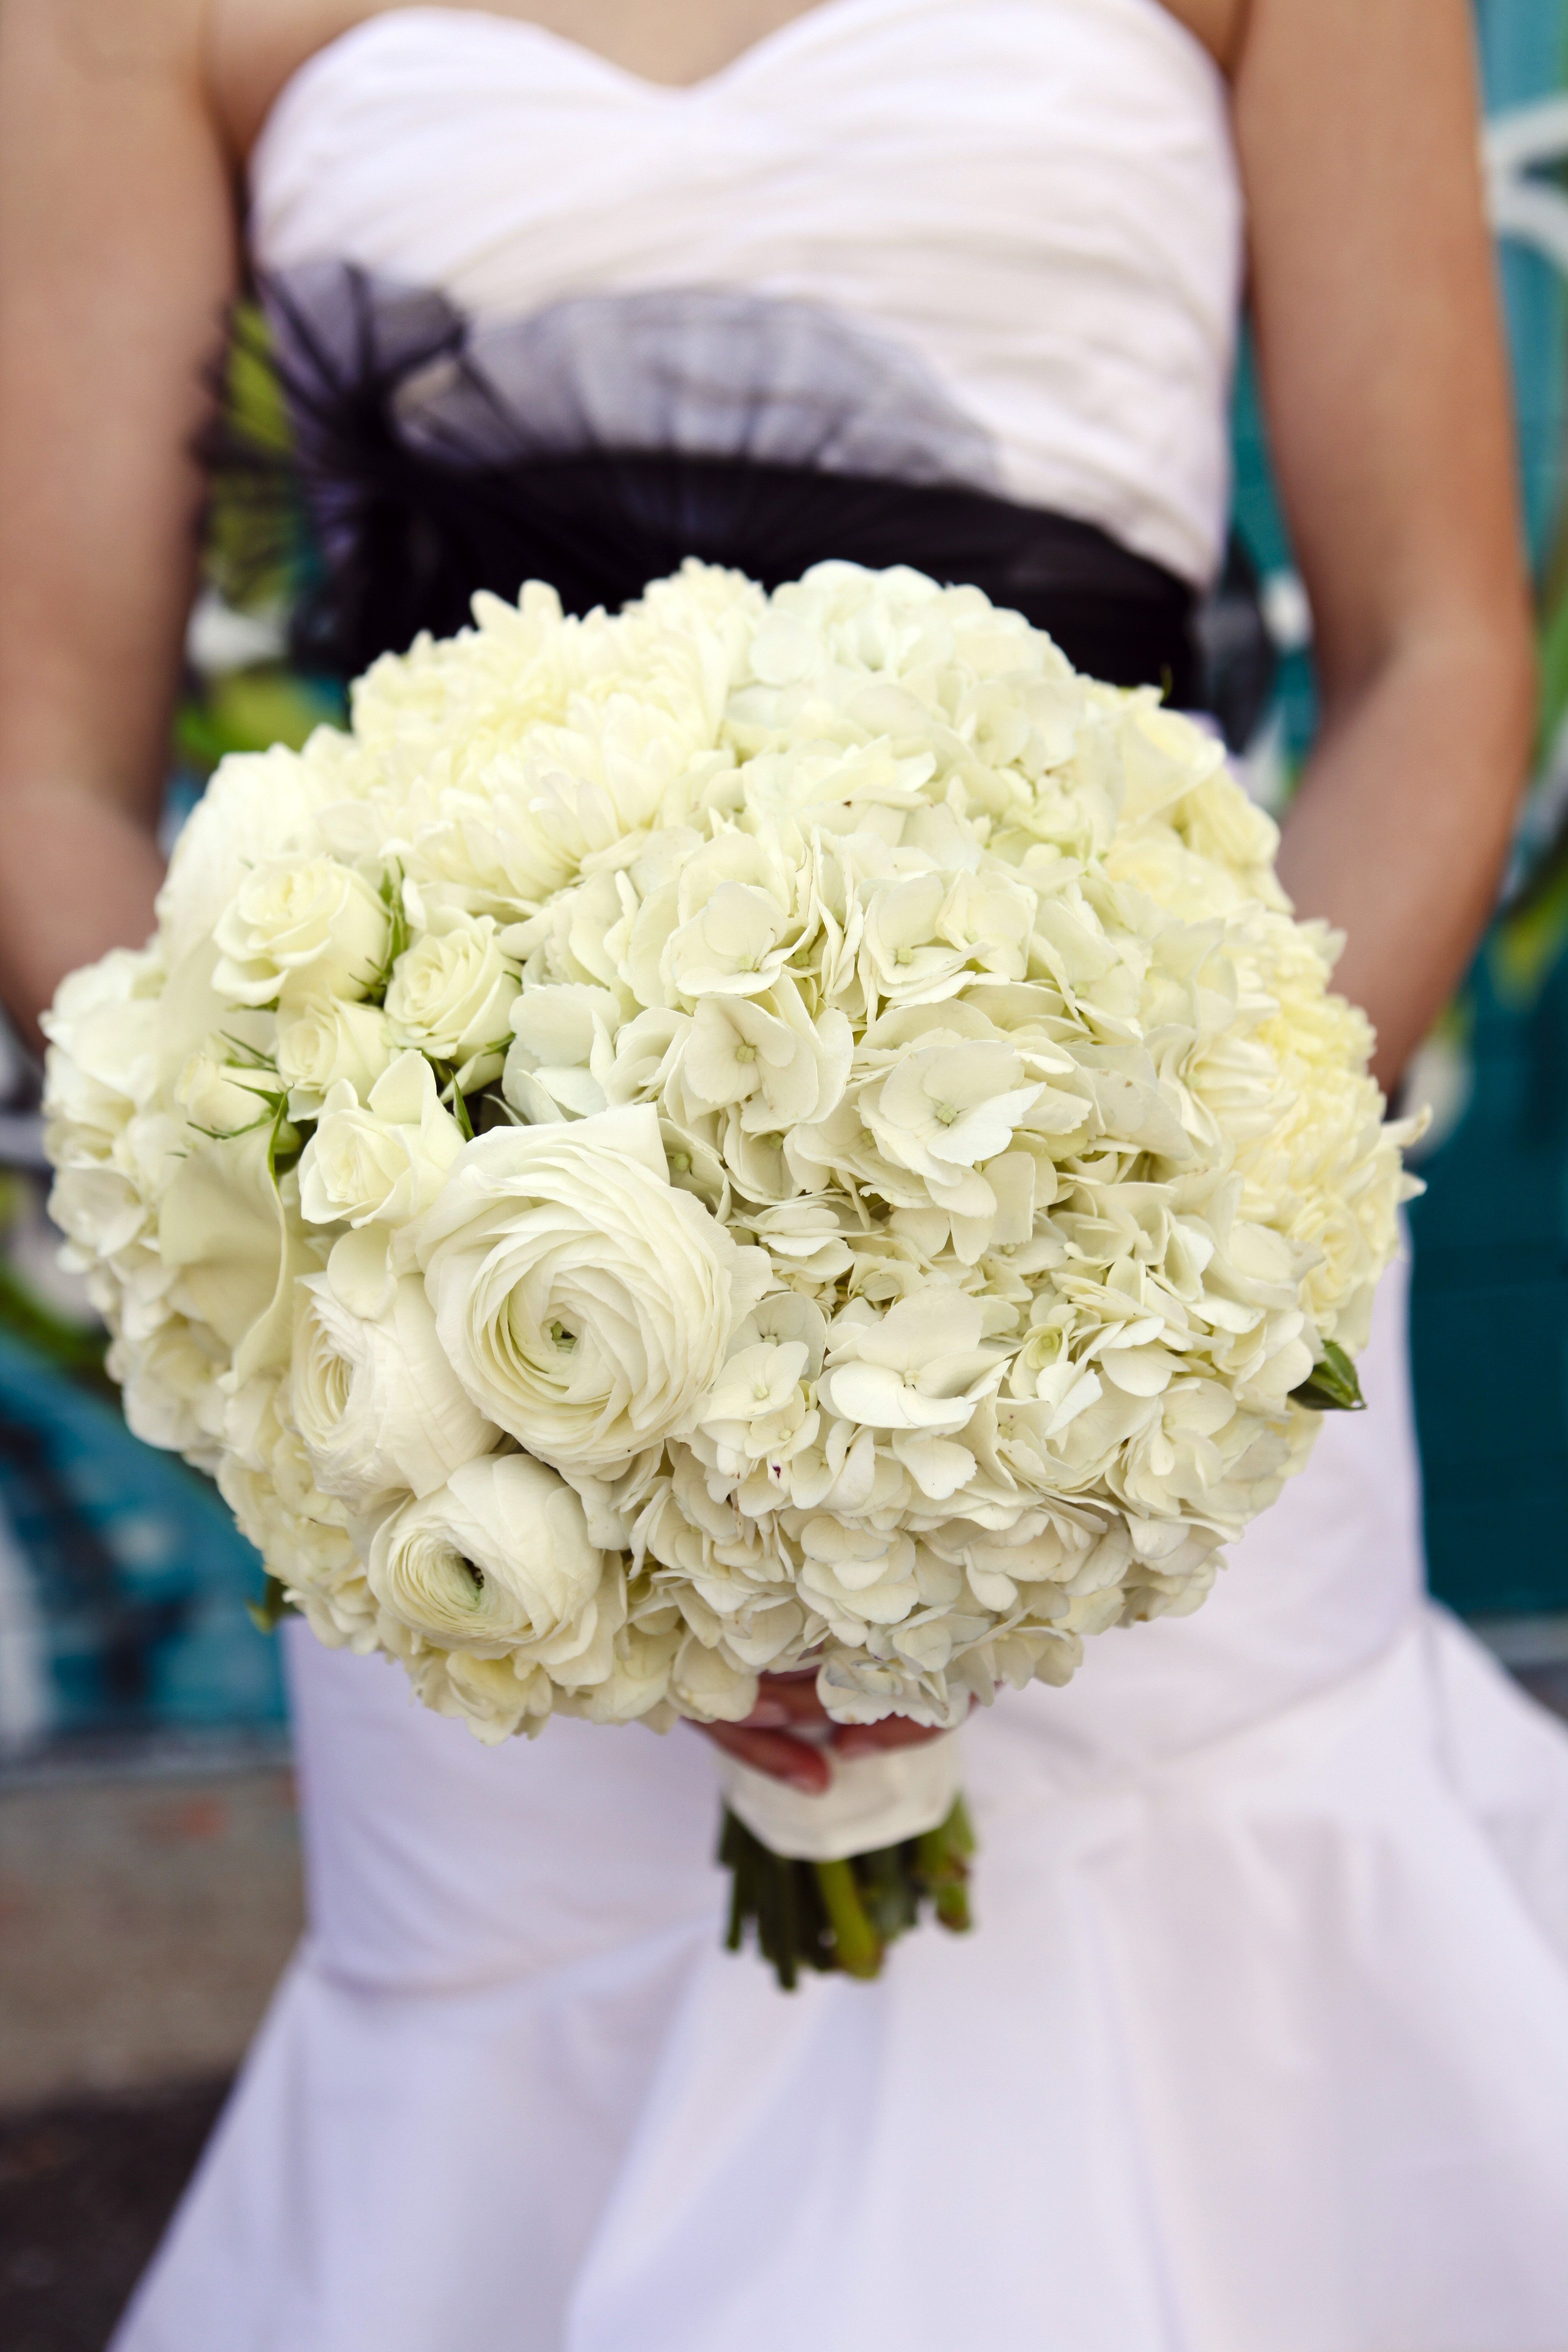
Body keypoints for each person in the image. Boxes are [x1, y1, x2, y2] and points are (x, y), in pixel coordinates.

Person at [3, 3, 1567, 2344]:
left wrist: (1195, 1194)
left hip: (1134, 1281)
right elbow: (41, 763)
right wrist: (397, 1284)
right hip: (471, 1345)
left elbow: (1446, 648)